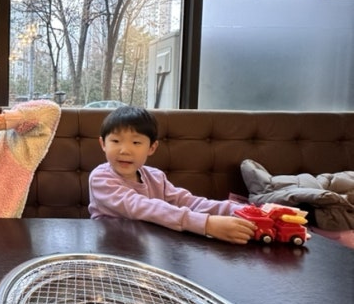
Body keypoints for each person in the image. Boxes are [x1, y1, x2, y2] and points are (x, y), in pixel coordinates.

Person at [88, 105, 256, 244]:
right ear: (103, 144)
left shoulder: (156, 177)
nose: (124, 150)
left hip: (149, 247)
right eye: (115, 141)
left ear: (152, 148)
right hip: (112, 250)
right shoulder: (100, 178)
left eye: (136, 142)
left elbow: (188, 201)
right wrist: (207, 224)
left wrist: (242, 210)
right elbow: (142, 207)